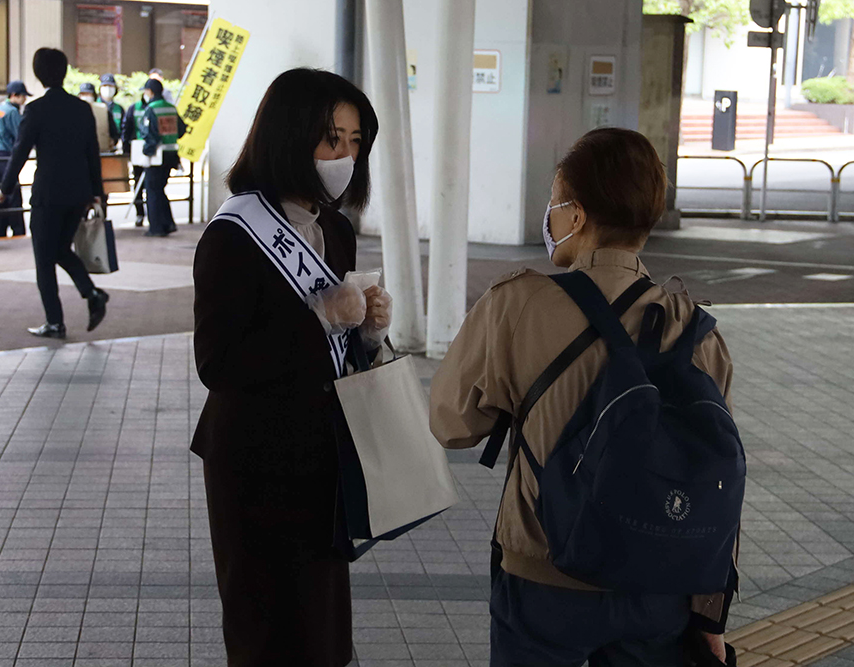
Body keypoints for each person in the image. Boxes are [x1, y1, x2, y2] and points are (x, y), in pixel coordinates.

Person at [430, 128, 738, 666]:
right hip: (661, 586)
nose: (549, 215)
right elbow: (721, 472)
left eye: (555, 201)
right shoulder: (699, 332)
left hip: (544, 578)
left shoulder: (516, 305)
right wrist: (711, 611)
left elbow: (453, 424)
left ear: (576, 215)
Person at [191, 68, 390, 666]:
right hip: (254, 461)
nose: (345, 156)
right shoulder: (232, 236)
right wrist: (319, 318)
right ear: (289, 136)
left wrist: (370, 334)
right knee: (264, 624)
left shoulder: (336, 229)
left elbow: (340, 358)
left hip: (322, 453)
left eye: (356, 142)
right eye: (333, 138)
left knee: (323, 621)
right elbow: (218, 364)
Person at [0, 48, 109, 339]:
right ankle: (92, 293)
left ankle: (55, 322)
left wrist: (4, 190)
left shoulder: (36, 109)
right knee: (59, 250)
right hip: (78, 194)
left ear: (38, 73)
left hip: (48, 195)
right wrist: (97, 192)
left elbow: (19, 152)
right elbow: (92, 154)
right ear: (65, 72)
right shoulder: (82, 108)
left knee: (44, 260)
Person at [137, 78, 185, 237]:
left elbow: (150, 134)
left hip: (157, 157)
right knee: (159, 189)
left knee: (152, 191)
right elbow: (182, 129)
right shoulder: (171, 108)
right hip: (171, 155)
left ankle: (156, 228)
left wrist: (146, 154)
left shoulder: (151, 109)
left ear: (149, 92)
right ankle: (167, 224)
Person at [0, 81, 31, 237]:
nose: (24, 100)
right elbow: (21, 134)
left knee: (3, 193)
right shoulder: (12, 113)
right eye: (23, 97)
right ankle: (18, 231)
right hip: (6, 154)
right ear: (14, 96)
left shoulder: (0, 109)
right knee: (12, 193)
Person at [121, 88, 148, 227]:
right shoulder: (134, 108)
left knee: (150, 186)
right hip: (137, 151)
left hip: (153, 153)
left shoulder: (156, 106)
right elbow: (126, 129)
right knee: (138, 183)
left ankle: (151, 214)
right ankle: (140, 213)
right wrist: (127, 151)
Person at [79, 82, 117, 152]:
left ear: (94, 96)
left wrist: (113, 141)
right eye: (83, 94)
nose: (86, 96)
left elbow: (113, 132)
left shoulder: (103, 110)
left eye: (88, 94)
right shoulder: (75, 112)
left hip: (101, 150)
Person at [99, 73, 124, 142]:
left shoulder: (119, 109)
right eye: (105, 85)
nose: (108, 88)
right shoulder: (96, 107)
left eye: (110, 86)